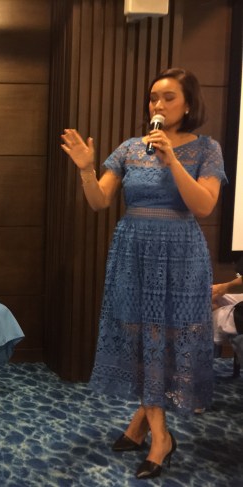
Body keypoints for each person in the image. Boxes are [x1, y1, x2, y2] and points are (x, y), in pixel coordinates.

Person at [60, 68, 227, 479]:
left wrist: (173, 161)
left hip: (181, 255)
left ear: (188, 104)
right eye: (153, 97)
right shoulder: (130, 148)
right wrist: (86, 169)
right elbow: (99, 201)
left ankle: (155, 435)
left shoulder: (208, 149)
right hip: (133, 252)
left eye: (168, 97)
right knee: (140, 337)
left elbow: (204, 205)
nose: (158, 104)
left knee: (167, 339)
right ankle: (147, 427)